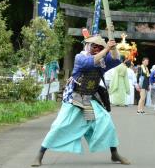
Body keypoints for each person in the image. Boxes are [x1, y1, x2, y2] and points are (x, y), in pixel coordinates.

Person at [31, 35, 130, 167]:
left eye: (99, 47)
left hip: (89, 99)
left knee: (106, 122)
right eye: (94, 46)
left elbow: (116, 59)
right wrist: (106, 49)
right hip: (75, 98)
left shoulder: (102, 62)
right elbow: (90, 62)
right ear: (88, 46)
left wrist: (113, 48)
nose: (96, 49)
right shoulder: (80, 57)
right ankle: (40, 154)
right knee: (60, 126)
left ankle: (114, 153)